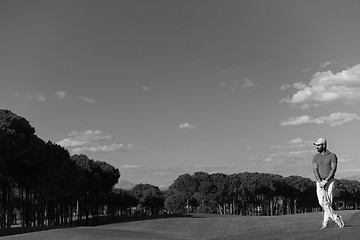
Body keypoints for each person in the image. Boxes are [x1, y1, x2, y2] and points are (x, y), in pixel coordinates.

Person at [312, 137, 344, 229]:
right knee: (322, 202)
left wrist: (326, 180)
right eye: (316, 145)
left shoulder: (332, 156)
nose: (317, 147)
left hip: (330, 181)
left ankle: (325, 223)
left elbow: (333, 169)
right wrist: (320, 181)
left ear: (324, 145)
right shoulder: (315, 157)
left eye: (318, 145)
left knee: (328, 202)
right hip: (320, 181)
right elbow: (315, 170)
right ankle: (336, 217)